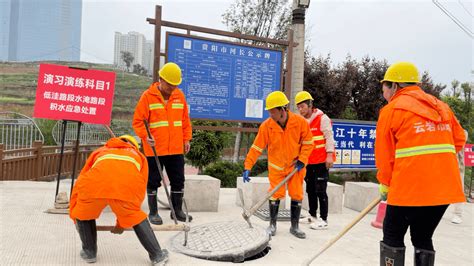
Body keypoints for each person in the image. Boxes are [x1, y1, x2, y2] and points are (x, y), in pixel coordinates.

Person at [375, 62, 466, 266]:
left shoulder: (391, 111)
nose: (384, 94)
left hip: (409, 189)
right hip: (443, 190)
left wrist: (385, 184)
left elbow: (385, 155)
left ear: (395, 86)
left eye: (384, 89)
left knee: (392, 235)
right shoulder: (441, 107)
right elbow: (459, 140)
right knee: (423, 237)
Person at [69, 135, 168, 265]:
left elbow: (83, 176)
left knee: (83, 213)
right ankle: (157, 255)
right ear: (133, 145)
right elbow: (139, 187)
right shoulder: (138, 156)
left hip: (93, 186)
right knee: (135, 215)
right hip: (125, 188)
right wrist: (123, 222)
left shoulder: (100, 151)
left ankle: (89, 252)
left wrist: (75, 208)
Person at [242, 91, 313, 239]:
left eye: (272, 111)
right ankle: (272, 225)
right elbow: (256, 148)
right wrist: (248, 166)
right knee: (275, 195)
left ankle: (294, 227)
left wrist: (302, 159)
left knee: (296, 194)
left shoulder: (299, 123)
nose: (270, 115)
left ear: (282, 109)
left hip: (295, 167)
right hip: (276, 168)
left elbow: (308, 143)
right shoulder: (267, 126)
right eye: (269, 111)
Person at [133, 62, 193, 225]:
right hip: (154, 149)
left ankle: (177, 211)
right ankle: (153, 212)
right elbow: (138, 121)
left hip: (175, 148)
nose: (172, 88)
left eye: (175, 85)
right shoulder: (148, 96)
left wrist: (186, 138)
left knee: (178, 179)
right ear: (161, 80)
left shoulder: (179, 96)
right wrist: (146, 136)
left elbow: (185, 121)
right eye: (169, 85)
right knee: (153, 180)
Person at [295, 91, 335, 230]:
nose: (300, 110)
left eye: (302, 106)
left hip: (321, 161)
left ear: (310, 105)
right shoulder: (301, 121)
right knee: (310, 190)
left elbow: (329, 137)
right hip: (308, 161)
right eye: (298, 107)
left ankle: (324, 219)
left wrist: (329, 155)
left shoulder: (322, 118)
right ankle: (312, 215)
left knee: (320, 190)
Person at [451, 129, 468, 224]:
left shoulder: (462, 132)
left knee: (459, 191)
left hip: (458, 166)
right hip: (444, 166)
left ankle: (458, 214)